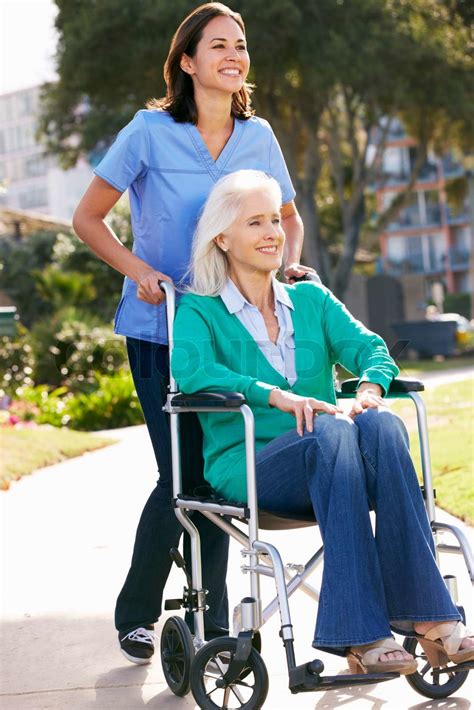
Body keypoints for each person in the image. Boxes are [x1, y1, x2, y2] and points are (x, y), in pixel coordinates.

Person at [73, 3, 313, 664]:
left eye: (240, 46)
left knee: (213, 472)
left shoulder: (258, 136)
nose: (234, 56)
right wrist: (139, 270)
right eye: (218, 46)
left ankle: (208, 622)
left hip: (231, 331)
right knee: (182, 473)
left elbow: (286, 219)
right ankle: (139, 611)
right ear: (187, 60)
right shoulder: (149, 132)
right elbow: (88, 218)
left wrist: (285, 264)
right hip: (161, 330)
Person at [171, 169, 474, 674]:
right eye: (255, 223)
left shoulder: (311, 300)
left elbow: (372, 349)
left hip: (334, 465)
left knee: (378, 425)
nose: (273, 233)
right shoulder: (200, 311)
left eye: (275, 220)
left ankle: (428, 619)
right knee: (333, 429)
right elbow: (194, 370)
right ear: (222, 238)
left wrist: (371, 390)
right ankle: (360, 633)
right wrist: (276, 395)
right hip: (251, 465)